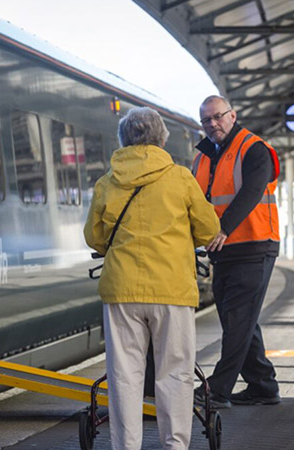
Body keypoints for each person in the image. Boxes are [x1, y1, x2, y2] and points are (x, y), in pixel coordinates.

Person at [83, 107, 219, 449]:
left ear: (123, 140)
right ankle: (175, 446)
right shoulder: (180, 178)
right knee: (175, 373)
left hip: (122, 292)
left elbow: (94, 237)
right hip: (172, 290)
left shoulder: (107, 182)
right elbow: (208, 229)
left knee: (124, 377)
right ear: (162, 139)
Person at [191, 95, 281, 409]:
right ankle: (262, 386)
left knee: (239, 318)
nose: (212, 124)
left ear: (233, 115)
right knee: (237, 319)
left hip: (255, 245)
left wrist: (223, 228)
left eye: (217, 117)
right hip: (223, 250)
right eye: (206, 120)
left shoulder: (254, 149)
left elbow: (252, 192)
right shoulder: (202, 157)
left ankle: (217, 389)